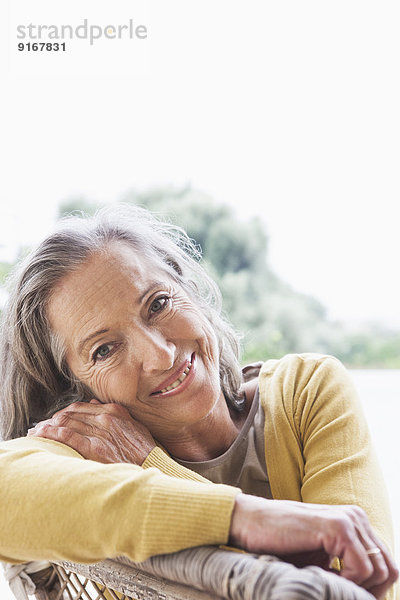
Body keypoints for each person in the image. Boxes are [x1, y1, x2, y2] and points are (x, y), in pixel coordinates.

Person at [0, 204, 398, 600]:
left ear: (187, 289)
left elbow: (366, 587)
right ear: (74, 389)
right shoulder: (81, 446)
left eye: (157, 304)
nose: (162, 356)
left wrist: (151, 466)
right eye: (105, 350)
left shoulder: (305, 391)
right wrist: (247, 517)